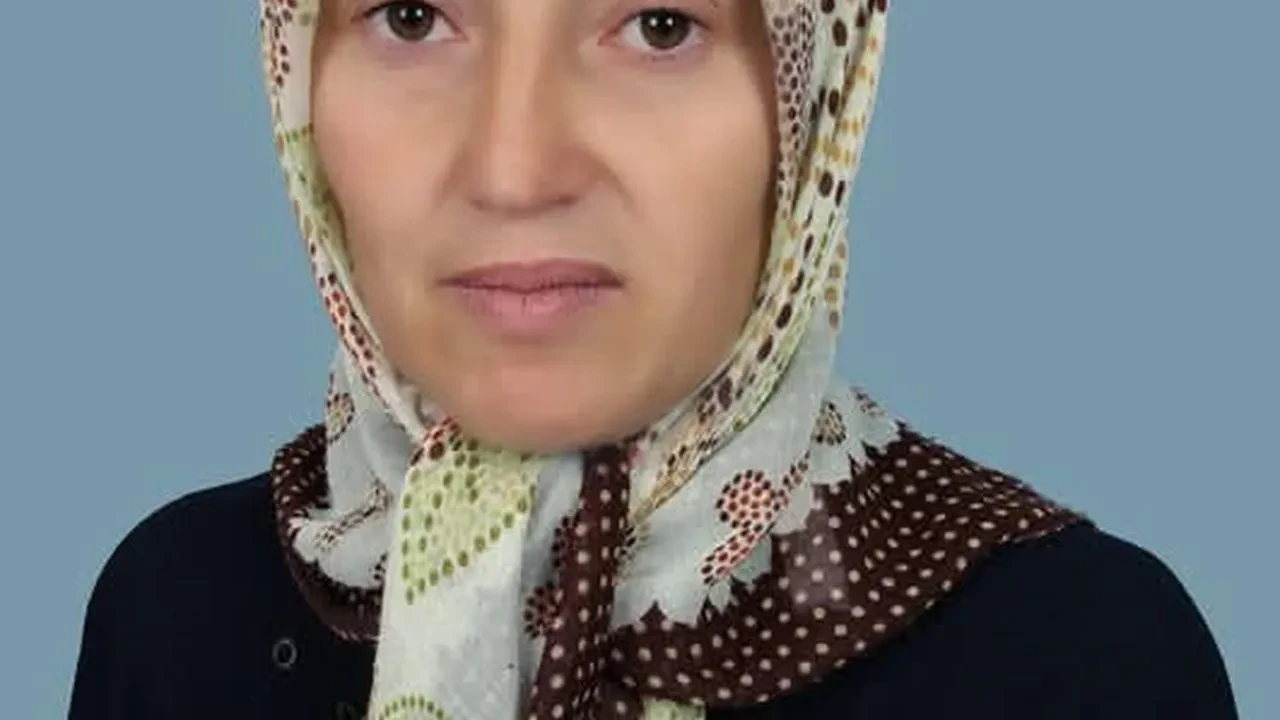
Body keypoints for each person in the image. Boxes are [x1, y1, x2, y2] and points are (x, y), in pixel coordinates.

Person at [70, 0, 1237, 718]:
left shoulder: (1077, 662)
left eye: (660, 26)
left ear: (806, 98)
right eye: (413, 16)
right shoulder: (179, 614)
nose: (513, 169)